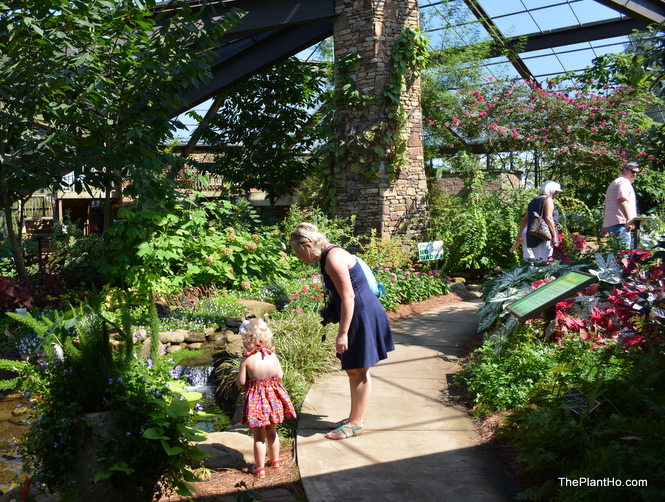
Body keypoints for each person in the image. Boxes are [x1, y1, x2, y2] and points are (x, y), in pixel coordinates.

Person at [290, 223, 394, 440]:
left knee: (357, 370)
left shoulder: (333, 258)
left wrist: (343, 332)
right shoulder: (329, 254)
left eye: (298, 252)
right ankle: (354, 417)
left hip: (361, 315)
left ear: (308, 245)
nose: (298, 257)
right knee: (356, 370)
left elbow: (349, 297)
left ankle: (356, 424)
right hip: (360, 313)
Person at [236, 317, 296, 478]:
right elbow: (280, 375)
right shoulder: (272, 355)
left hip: (257, 402)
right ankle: (275, 461)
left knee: (258, 437)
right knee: (272, 432)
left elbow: (241, 383)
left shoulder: (247, 360)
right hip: (273, 400)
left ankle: (259, 468)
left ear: (249, 340)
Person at [509, 181, 562, 262]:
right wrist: (555, 237)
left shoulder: (533, 201)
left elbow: (525, 220)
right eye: (555, 192)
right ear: (551, 190)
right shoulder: (548, 200)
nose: (555, 195)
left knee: (531, 263)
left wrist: (520, 234)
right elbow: (549, 218)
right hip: (543, 235)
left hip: (530, 233)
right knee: (544, 262)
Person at [602, 161, 640, 249]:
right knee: (623, 255)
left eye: (637, 173)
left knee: (617, 254)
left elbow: (606, 205)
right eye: (633, 171)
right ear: (624, 170)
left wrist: (604, 225)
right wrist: (629, 220)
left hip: (613, 224)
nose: (635, 175)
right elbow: (622, 200)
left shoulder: (614, 182)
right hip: (621, 224)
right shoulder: (624, 183)